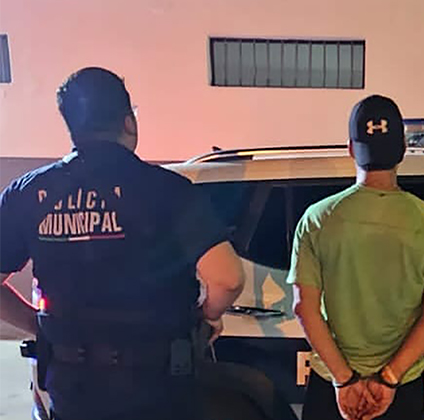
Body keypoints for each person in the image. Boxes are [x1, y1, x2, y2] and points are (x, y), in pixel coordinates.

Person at [0, 67, 245, 420]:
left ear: (71, 126)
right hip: (157, 386)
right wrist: (206, 317)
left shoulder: (27, 193)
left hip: (74, 389)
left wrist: (37, 324)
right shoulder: (168, 190)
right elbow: (228, 278)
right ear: (129, 121)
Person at [288, 95, 424, 420]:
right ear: (403, 149)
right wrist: (389, 378)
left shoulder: (317, 219)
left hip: (331, 384)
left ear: (351, 149)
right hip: (402, 387)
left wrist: (345, 380)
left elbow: (304, 308)